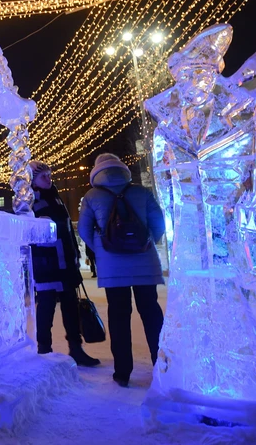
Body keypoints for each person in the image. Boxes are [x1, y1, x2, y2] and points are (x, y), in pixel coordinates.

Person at [78, 154, 165, 387]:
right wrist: (146, 244)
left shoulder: (91, 196)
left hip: (113, 267)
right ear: (122, 169)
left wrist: (102, 249)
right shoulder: (141, 192)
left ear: (97, 172)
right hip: (145, 263)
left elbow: (84, 230)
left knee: (118, 316)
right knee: (151, 314)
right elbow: (159, 222)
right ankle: (161, 366)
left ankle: (123, 372)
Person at [29, 160, 101, 367]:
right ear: (33, 179)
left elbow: (66, 231)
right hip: (47, 266)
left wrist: (74, 257)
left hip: (66, 265)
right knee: (46, 307)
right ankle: (44, 350)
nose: (48, 179)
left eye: (49, 175)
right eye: (43, 176)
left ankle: (76, 349)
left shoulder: (55, 198)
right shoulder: (32, 201)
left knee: (70, 307)